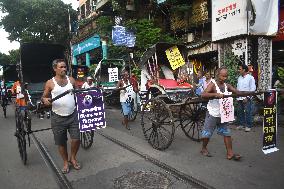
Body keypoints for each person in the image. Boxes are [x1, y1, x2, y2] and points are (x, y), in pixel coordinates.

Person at [200, 67, 257, 160]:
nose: (224, 78)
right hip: (213, 113)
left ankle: (230, 153)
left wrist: (250, 93)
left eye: (226, 76)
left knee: (227, 133)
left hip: (223, 114)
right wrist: (215, 94)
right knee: (207, 134)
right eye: (223, 76)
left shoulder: (227, 85)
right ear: (218, 75)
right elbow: (203, 94)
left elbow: (238, 92)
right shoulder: (212, 84)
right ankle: (203, 148)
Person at [41, 59, 81, 174]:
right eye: (61, 67)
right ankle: (65, 161)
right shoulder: (50, 83)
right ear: (55, 69)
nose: (64, 69)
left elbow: (79, 94)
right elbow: (43, 97)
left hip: (73, 115)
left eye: (65, 67)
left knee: (76, 139)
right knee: (61, 142)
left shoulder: (71, 80)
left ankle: (72, 158)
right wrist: (45, 100)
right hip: (58, 117)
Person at [236, 64, 256, 132]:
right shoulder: (239, 78)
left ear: (244, 70)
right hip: (239, 98)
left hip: (247, 98)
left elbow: (253, 88)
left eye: (240, 69)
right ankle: (241, 124)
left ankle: (248, 125)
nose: (239, 70)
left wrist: (247, 97)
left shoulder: (250, 77)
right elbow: (238, 88)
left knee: (248, 112)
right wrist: (237, 97)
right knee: (239, 111)